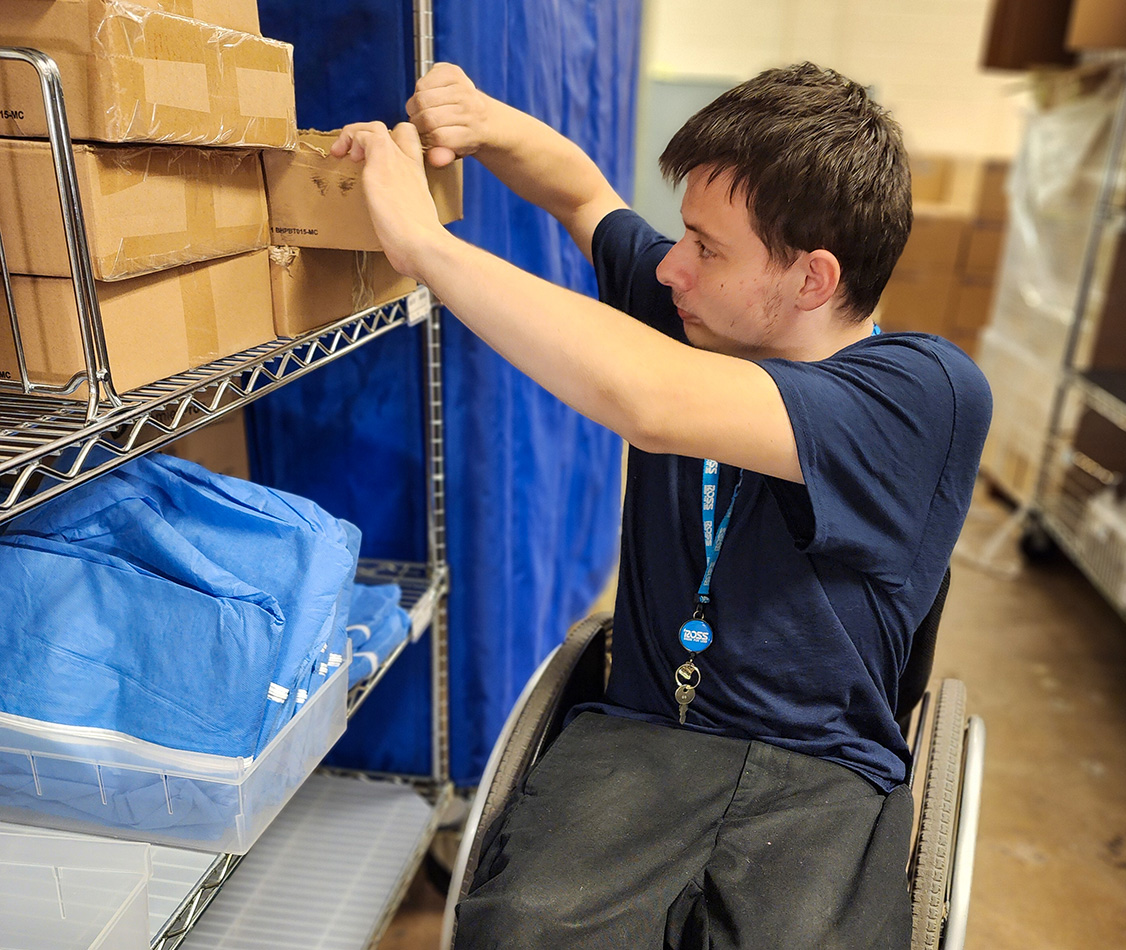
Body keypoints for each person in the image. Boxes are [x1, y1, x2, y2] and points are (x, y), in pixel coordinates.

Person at [333, 61, 992, 950]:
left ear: (812, 279)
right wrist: (486, 122)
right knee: (517, 930)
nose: (672, 265)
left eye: (708, 247)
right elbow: (583, 196)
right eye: (684, 235)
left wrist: (425, 245)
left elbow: (651, 402)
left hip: (816, 774)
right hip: (642, 737)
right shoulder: (701, 309)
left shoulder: (926, 395)